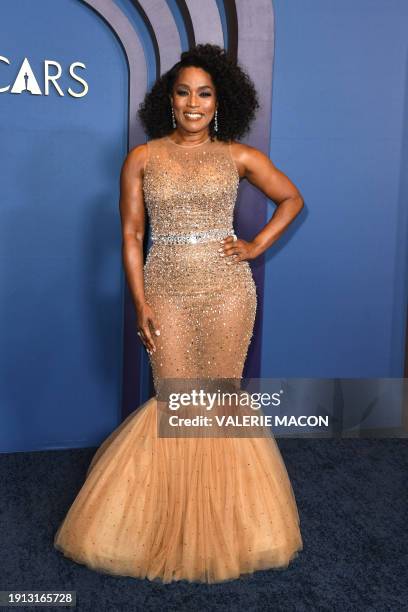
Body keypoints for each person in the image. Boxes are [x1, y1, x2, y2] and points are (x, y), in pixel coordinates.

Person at [54, 44, 304, 584]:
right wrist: (141, 301)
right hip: (164, 287)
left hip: (227, 292)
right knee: (175, 403)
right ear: (169, 99)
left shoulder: (238, 156)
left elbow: (292, 199)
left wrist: (256, 244)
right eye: (184, 92)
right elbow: (131, 234)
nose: (194, 103)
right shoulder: (142, 158)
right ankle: (165, 525)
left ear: (221, 102)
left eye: (205, 93)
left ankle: (225, 530)